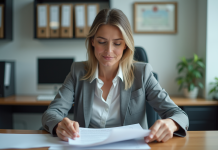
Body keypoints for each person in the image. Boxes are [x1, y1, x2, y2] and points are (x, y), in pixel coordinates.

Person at [42, 8, 189, 143]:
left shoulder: (142, 73)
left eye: (117, 43)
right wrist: (59, 125)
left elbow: (179, 114)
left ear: (126, 45)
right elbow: (52, 113)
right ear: (92, 41)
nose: (109, 51)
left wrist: (171, 123)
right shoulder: (78, 71)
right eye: (102, 42)